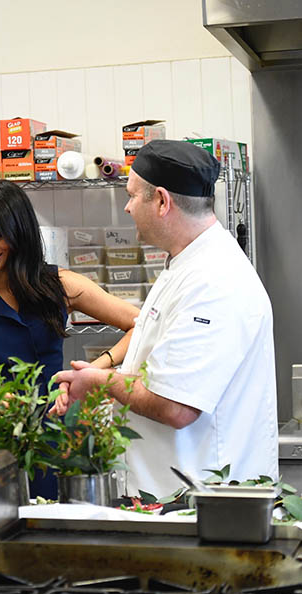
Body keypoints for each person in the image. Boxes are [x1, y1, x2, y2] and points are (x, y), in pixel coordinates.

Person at [51, 140, 278, 497]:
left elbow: (176, 406)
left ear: (161, 201)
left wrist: (100, 382)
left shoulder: (214, 280)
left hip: (207, 505)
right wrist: (98, 379)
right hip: (173, 497)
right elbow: (158, 372)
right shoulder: (185, 265)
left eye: (130, 196)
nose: (127, 208)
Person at [0, 179, 139, 497]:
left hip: (57, 442)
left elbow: (141, 325)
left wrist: (95, 369)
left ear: (19, 231)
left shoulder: (58, 284)